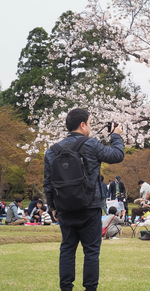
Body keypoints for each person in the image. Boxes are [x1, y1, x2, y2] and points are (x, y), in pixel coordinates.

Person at [43, 108, 124, 291]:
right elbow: (117, 155)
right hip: (90, 206)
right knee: (91, 252)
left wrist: (53, 207)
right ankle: (90, 289)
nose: (90, 127)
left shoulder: (52, 151)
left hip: (64, 208)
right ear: (82, 125)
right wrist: (116, 136)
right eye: (89, 123)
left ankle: (66, 288)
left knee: (67, 249)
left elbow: (48, 183)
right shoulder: (91, 145)